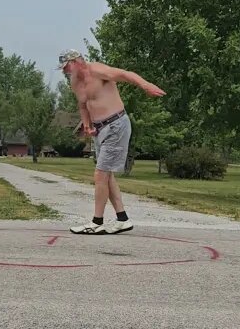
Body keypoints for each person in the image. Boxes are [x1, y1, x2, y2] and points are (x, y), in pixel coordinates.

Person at [58, 49, 165, 234]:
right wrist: (86, 125)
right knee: (107, 175)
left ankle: (97, 222)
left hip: (116, 124)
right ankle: (122, 219)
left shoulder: (97, 70)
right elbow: (83, 105)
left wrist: (146, 86)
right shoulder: (75, 82)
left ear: (75, 62)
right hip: (99, 129)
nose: (64, 71)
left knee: (100, 175)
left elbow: (126, 74)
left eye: (66, 66)